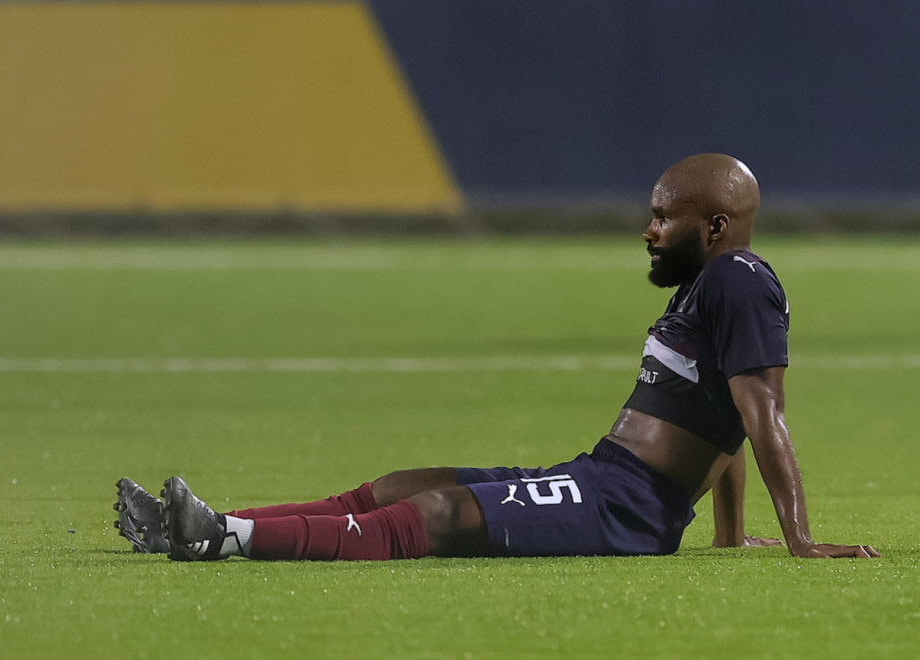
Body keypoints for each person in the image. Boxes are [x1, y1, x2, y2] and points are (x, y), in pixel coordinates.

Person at [114, 153, 879, 562]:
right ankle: (206, 520)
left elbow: (760, 410)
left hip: (630, 508)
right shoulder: (704, 288)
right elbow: (723, 417)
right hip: (604, 475)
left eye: (662, 216)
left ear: (713, 226)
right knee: (402, 485)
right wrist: (726, 533)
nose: (648, 230)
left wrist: (800, 538)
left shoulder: (738, 280)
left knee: (437, 514)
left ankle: (222, 538)